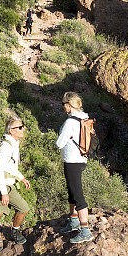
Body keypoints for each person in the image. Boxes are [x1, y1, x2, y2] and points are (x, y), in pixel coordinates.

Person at [0, 118, 32, 255]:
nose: (23, 129)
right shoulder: (7, 146)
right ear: (11, 131)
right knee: (23, 208)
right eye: (20, 127)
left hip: (0, 183)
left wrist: (21, 178)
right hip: (5, 185)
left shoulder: (13, 143)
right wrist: (4, 193)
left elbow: (10, 166)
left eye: (23, 126)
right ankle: (15, 232)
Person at [55, 92, 94, 244]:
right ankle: (73, 221)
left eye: (63, 103)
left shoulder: (70, 122)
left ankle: (85, 230)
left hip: (72, 161)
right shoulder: (84, 117)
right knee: (72, 191)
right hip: (81, 159)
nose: (62, 106)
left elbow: (59, 143)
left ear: (69, 105)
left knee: (78, 195)